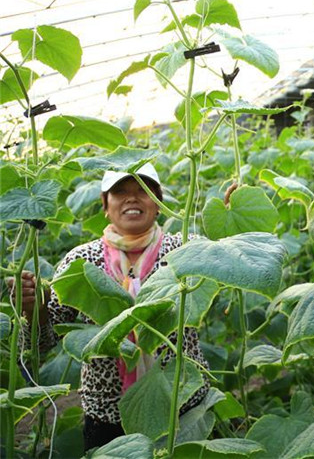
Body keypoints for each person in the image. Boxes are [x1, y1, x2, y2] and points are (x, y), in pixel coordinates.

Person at [8, 164, 217, 451]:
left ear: (158, 203)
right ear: (105, 205)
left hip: (184, 403)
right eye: (120, 192)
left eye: (143, 191)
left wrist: (226, 225)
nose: (132, 198)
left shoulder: (185, 249)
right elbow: (42, 343)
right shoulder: (82, 260)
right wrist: (35, 309)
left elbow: (228, 262)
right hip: (107, 412)